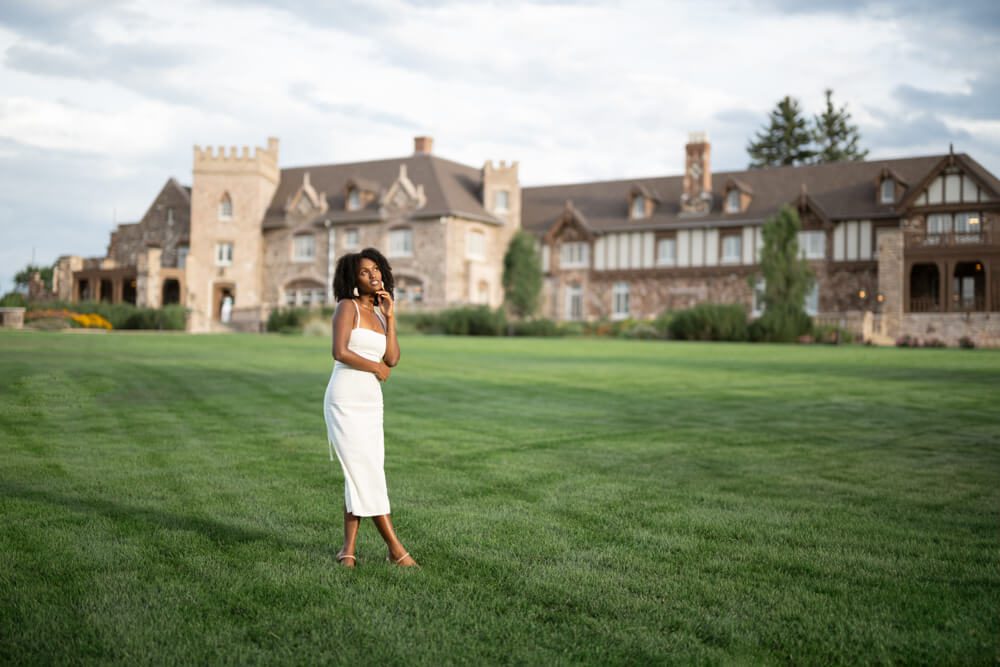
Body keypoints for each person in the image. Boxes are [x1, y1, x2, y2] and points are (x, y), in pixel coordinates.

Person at [323, 247, 418, 568]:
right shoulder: (346, 307)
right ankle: (396, 549)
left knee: (363, 472)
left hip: (370, 402)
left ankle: (347, 550)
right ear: (353, 278)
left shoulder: (379, 313)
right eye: (365, 272)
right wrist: (374, 368)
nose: (373, 275)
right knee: (364, 471)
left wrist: (390, 317)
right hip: (345, 397)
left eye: (376, 269)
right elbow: (339, 351)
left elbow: (391, 358)